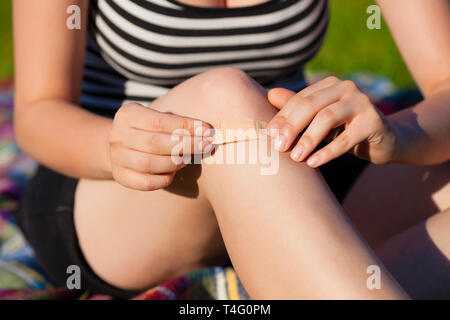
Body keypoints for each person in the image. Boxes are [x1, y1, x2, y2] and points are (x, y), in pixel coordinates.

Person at [13, 0, 449, 299]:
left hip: (293, 161)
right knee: (226, 99)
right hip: (121, 191)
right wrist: (112, 147)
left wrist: (400, 135)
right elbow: (39, 111)